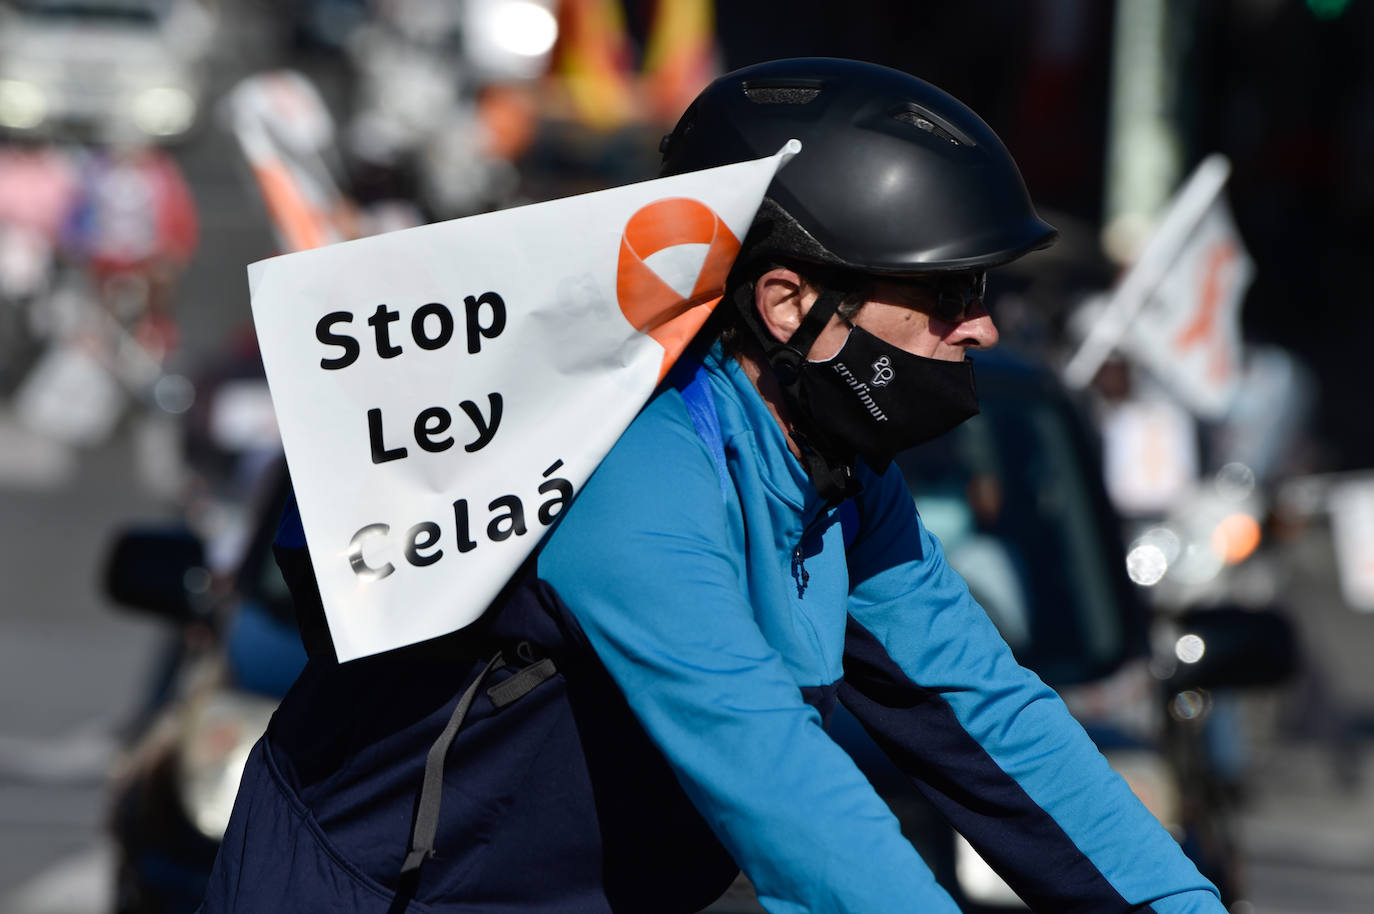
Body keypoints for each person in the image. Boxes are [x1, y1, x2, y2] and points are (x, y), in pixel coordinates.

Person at [199, 58, 1226, 913]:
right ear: (788, 302)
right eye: (948, 292)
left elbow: (994, 720)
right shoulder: (630, 471)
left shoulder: (836, 473)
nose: (983, 328)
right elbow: (778, 780)